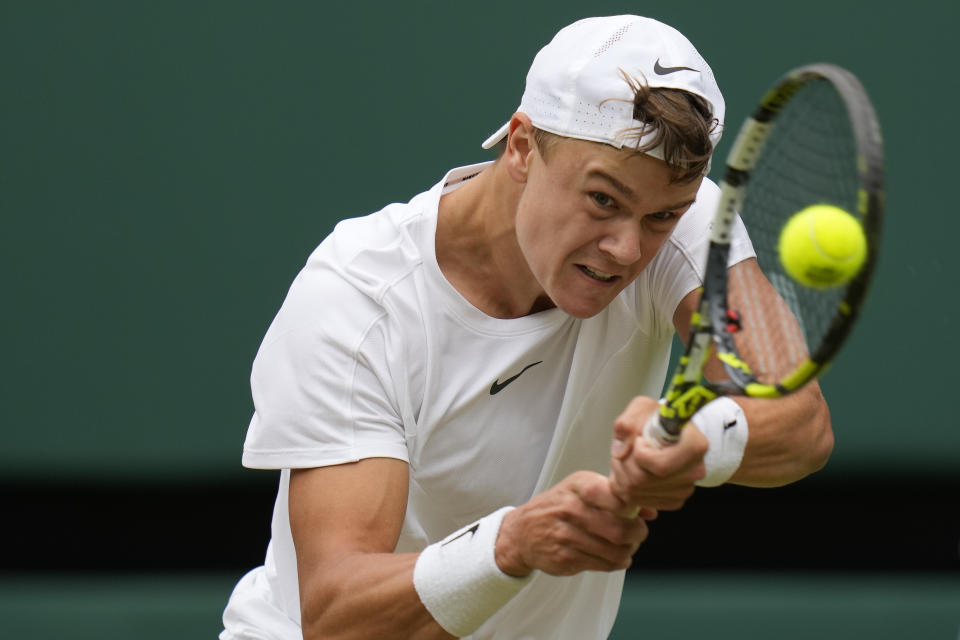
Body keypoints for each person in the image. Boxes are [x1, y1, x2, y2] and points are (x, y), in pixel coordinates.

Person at [220, 14, 832, 640]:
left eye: (663, 215)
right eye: (602, 200)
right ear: (520, 146)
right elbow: (336, 617)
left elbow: (802, 423)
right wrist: (510, 546)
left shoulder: (685, 220)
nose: (627, 247)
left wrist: (700, 441)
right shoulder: (358, 299)